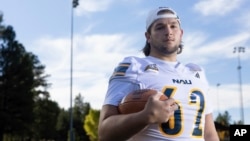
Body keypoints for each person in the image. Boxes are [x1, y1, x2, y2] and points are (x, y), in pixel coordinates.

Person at [98, 6, 219, 141]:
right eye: (160, 27)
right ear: (148, 36)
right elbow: (104, 133)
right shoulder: (133, 66)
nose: (168, 32)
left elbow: (209, 133)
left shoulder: (196, 72)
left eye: (173, 26)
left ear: (181, 33)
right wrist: (144, 117)